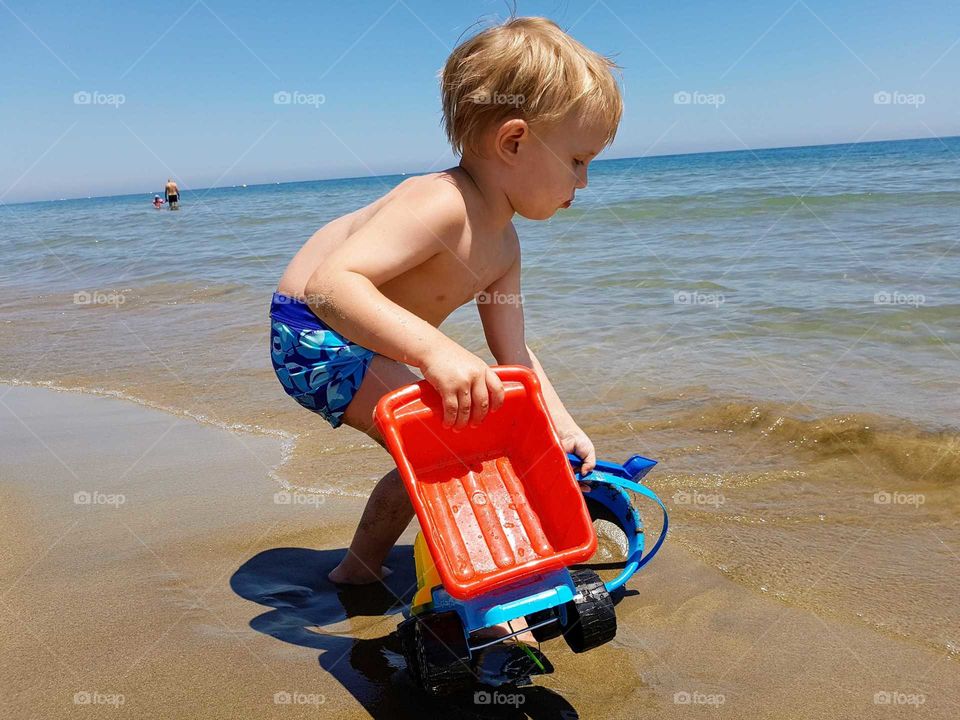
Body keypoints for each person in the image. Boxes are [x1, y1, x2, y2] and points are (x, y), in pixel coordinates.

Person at [270, 16, 620, 586]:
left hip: (363, 340)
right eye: (578, 161)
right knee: (452, 450)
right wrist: (436, 352)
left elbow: (514, 355)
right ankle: (474, 599)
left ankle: (358, 571)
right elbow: (332, 287)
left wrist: (562, 425)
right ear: (513, 141)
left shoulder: (504, 246)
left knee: (443, 448)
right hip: (312, 333)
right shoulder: (440, 203)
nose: (583, 182)